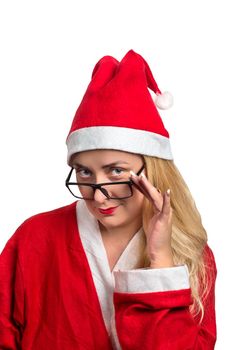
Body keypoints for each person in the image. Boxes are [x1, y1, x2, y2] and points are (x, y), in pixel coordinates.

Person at [0, 50, 217, 349]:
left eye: (116, 171)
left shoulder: (193, 254)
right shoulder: (35, 237)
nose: (99, 194)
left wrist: (162, 263)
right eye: (84, 172)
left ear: (152, 169)